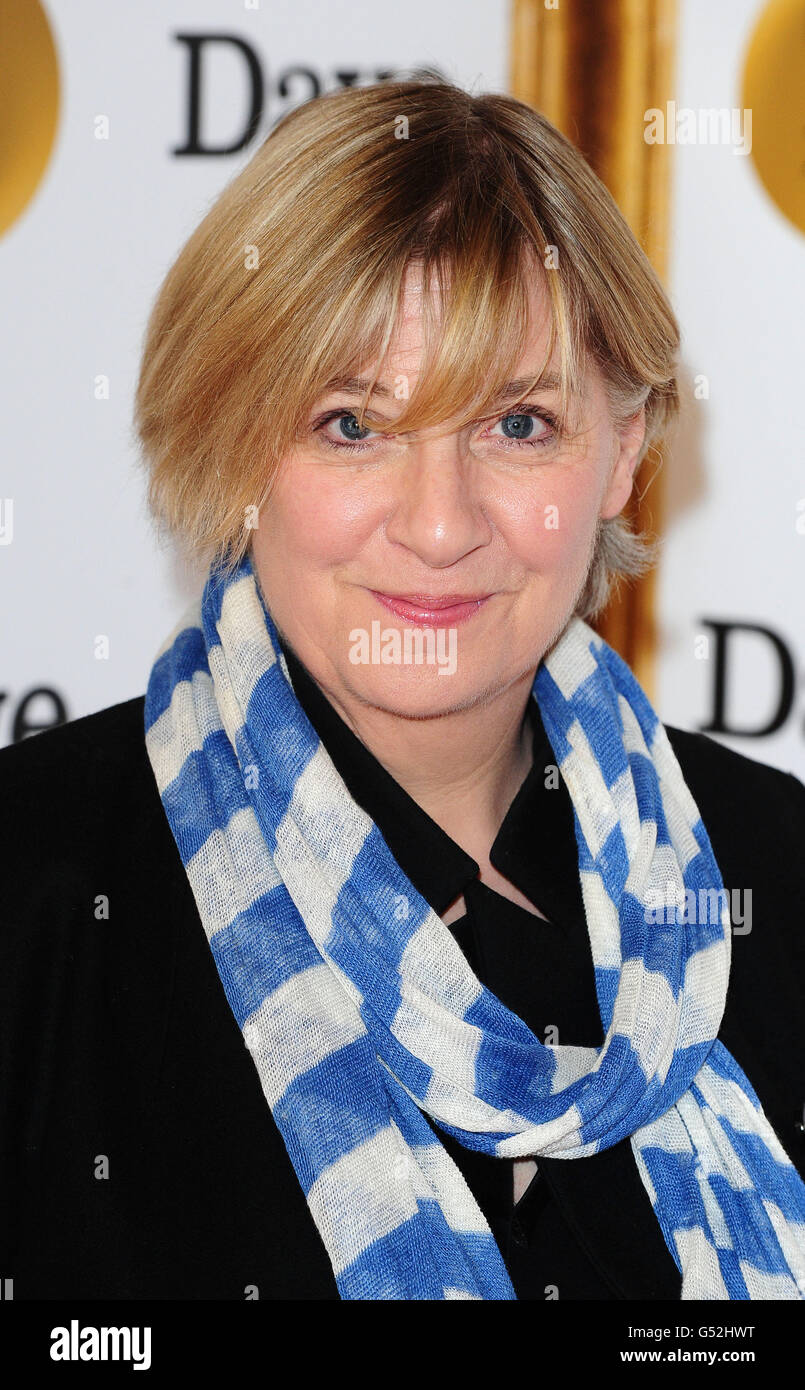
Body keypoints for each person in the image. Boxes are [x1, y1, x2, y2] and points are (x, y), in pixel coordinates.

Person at [1, 77, 804, 1302]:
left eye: (518, 424)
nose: (439, 527)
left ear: (623, 453)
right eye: (351, 425)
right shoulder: (34, 887)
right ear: (231, 443)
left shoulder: (776, 867)